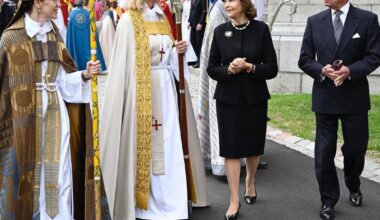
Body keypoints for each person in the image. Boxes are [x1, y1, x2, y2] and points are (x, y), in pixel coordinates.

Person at [99, 0, 208, 219]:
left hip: (167, 90)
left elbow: (170, 58)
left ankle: (174, 200)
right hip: (141, 93)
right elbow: (123, 66)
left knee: (170, 143)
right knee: (147, 145)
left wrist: (180, 51)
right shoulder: (129, 20)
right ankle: (145, 203)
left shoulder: (161, 18)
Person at [0, 0, 101, 219]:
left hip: (57, 116)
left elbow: (62, 82)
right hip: (25, 123)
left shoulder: (55, 36)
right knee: (31, 178)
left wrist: (83, 75)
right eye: (53, 0)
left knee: (60, 176)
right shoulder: (10, 39)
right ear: (37, 2)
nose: (59, 4)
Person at [298, 1, 380, 219]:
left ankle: (353, 183)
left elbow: (374, 56)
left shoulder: (367, 19)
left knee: (356, 148)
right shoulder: (314, 21)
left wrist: (350, 71)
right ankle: (328, 199)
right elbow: (304, 59)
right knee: (324, 153)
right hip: (325, 96)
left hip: (354, 97)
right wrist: (321, 70)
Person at [207, 0, 277, 219]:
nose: (226, 4)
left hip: (255, 98)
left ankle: (250, 180)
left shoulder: (261, 30)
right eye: (225, 1)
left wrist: (250, 67)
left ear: (244, 4)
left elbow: (272, 68)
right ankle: (234, 200)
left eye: (231, 0)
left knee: (253, 147)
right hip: (227, 99)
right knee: (231, 149)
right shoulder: (220, 32)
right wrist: (229, 69)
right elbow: (211, 68)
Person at [66, 0, 106, 71]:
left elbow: (70, 36)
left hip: (76, 46)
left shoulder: (72, 15)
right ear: (83, 3)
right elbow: (93, 32)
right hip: (88, 45)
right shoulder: (88, 13)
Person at [188, 0, 207, 67]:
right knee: (192, 41)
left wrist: (201, 23)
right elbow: (191, 10)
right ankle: (198, 58)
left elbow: (204, 11)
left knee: (199, 43)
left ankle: (200, 62)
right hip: (193, 24)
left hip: (199, 25)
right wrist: (189, 21)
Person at [98, 0, 116, 69]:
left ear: (107, 6)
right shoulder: (105, 14)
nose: (101, 7)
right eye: (101, 5)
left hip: (108, 37)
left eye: (103, 5)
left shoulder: (108, 14)